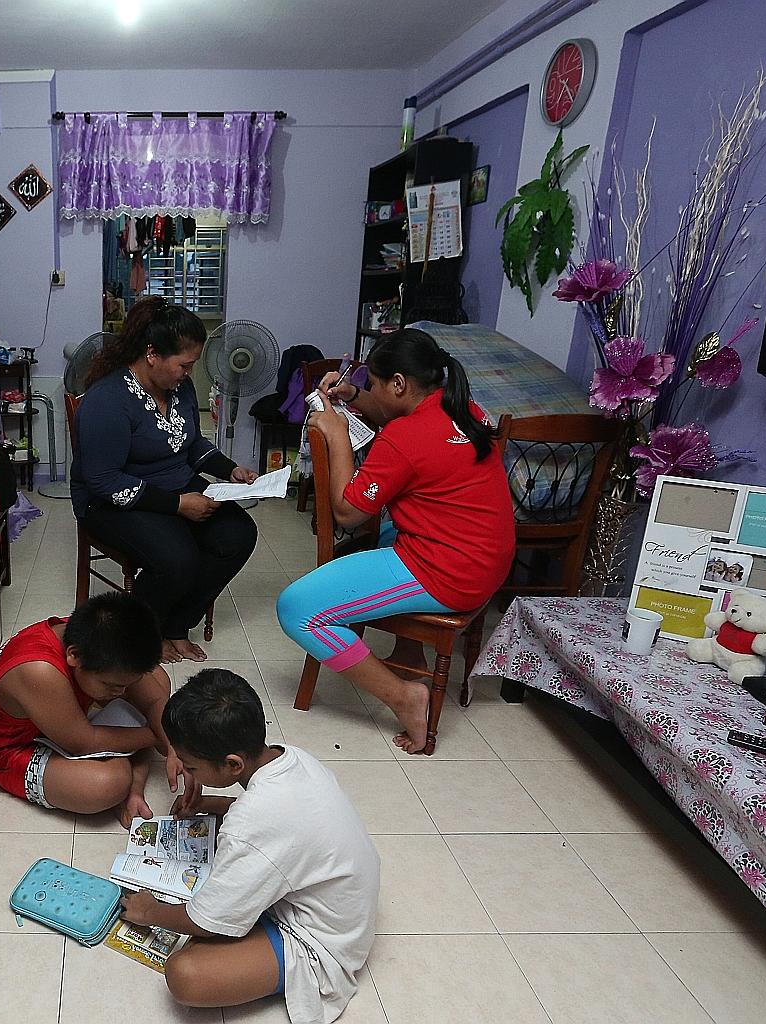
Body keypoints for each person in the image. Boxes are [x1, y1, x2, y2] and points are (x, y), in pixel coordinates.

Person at [275, 329, 515, 754]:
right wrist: (353, 395)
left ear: (399, 384)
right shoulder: (464, 408)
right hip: (489, 560)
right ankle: (414, 654)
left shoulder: (403, 438)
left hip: (451, 573)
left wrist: (336, 434)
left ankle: (404, 696)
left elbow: (350, 513)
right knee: (391, 529)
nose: (369, 391)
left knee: (297, 608)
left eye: (373, 384)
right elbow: (397, 418)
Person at [119, 669, 379, 1023]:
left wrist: (149, 911)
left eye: (191, 765)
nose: (188, 774)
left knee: (186, 975)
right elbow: (284, 825)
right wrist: (215, 805)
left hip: (323, 941)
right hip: (343, 900)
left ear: (232, 764)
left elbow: (206, 920)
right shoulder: (291, 756)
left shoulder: (252, 825)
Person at [71, 296, 259, 664]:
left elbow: (191, 443)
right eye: (184, 365)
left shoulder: (179, 388)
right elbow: (104, 480)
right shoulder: (107, 401)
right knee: (178, 559)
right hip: (112, 499)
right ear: (152, 354)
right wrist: (177, 505)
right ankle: (143, 632)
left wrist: (228, 470)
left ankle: (176, 625)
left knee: (238, 534)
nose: (188, 373)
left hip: (173, 487)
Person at [0, 591, 182, 823]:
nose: (120, 693)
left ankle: (134, 787)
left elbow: (153, 700)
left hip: (59, 717)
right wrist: (160, 737)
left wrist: (176, 747)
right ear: (74, 656)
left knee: (158, 681)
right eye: (111, 685)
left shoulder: (93, 635)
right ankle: (128, 783)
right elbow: (84, 743)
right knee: (110, 782)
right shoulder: (40, 670)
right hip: (11, 750)